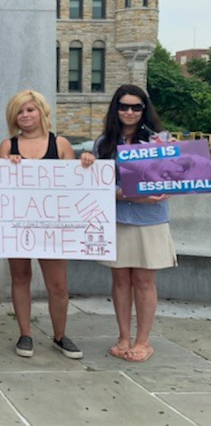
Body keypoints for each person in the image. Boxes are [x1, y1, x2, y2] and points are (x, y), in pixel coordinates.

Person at [0, 90, 90, 360]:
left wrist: (86, 163)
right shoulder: (7, 145)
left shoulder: (59, 144)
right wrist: (7, 164)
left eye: (29, 110)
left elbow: (75, 184)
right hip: (18, 224)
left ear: (41, 112)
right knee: (20, 278)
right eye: (19, 112)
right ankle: (25, 333)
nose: (24, 116)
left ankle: (60, 335)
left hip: (52, 227)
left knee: (58, 285)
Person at [91, 84, 176, 363]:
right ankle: (124, 337)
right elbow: (99, 184)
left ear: (144, 109)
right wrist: (125, 193)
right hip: (118, 218)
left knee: (143, 280)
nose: (129, 111)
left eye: (136, 107)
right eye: (124, 106)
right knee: (120, 279)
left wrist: (168, 185)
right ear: (116, 109)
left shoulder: (160, 141)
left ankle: (143, 340)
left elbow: (175, 176)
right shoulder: (103, 143)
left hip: (150, 219)